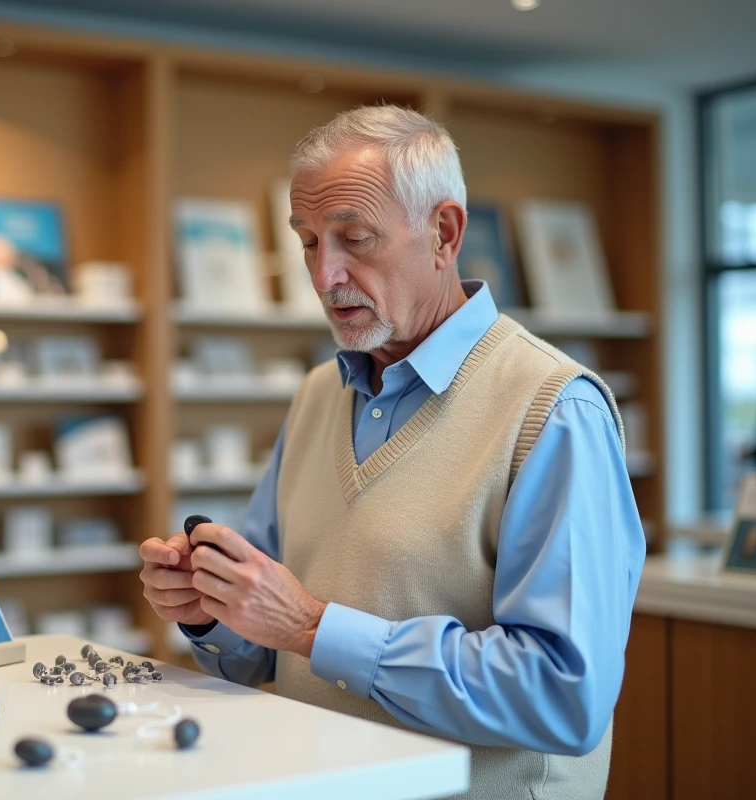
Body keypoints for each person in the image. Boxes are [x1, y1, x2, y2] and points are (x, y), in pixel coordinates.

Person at [139, 105, 646, 800]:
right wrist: (210, 606)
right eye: (308, 242)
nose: (325, 276)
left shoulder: (556, 409)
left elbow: (563, 695)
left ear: (444, 234)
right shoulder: (318, 394)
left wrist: (313, 627)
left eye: (354, 239)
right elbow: (262, 649)